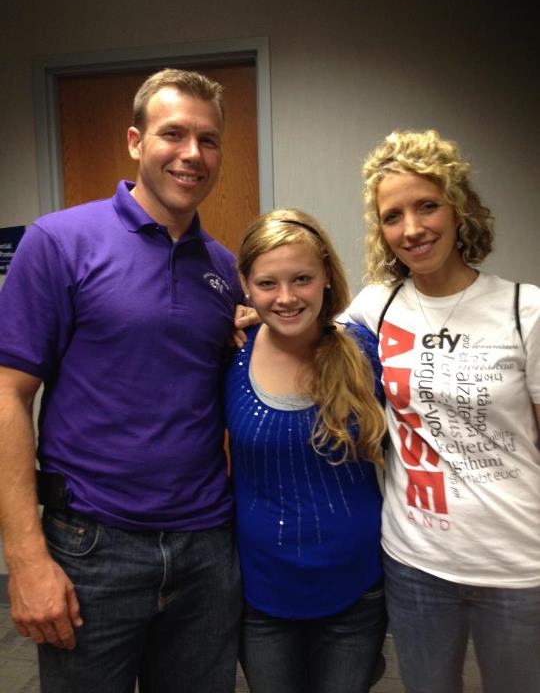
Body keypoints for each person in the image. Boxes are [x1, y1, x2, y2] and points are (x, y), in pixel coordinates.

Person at [0, 68, 245, 693]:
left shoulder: (224, 270)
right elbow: (8, 394)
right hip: (92, 547)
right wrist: (25, 558)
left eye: (209, 140)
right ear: (136, 141)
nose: (192, 154)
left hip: (206, 549)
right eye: (174, 134)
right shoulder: (58, 242)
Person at [340, 129, 540, 693]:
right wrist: (251, 319)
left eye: (427, 206)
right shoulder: (378, 305)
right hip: (415, 561)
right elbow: (308, 342)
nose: (412, 229)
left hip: (516, 562)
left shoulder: (525, 310)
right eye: (393, 215)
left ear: (458, 208)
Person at [226, 209, 388, 693]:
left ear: (326, 277)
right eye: (267, 283)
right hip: (262, 592)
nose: (286, 297)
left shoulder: (363, 352)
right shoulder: (229, 353)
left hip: (356, 588)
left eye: (302, 279)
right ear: (245, 286)